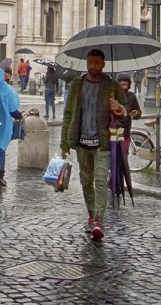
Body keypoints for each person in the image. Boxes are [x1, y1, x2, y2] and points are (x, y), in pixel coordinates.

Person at [61, 49, 128, 241]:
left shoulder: (113, 86)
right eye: (90, 62)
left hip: (102, 143)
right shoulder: (77, 84)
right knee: (85, 182)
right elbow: (68, 114)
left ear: (103, 64)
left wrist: (119, 108)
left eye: (97, 63)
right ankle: (91, 214)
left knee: (100, 182)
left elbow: (130, 112)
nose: (93, 66)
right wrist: (64, 142)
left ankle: (99, 220)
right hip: (81, 142)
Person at [115, 73, 141, 147]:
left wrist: (136, 113)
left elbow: (138, 112)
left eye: (126, 85)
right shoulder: (111, 96)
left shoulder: (131, 96)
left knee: (124, 154)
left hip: (125, 131)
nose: (124, 87)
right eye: (122, 85)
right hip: (112, 132)